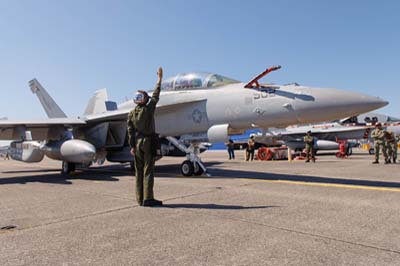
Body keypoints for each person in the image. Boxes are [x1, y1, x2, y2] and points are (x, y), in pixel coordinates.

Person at [127, 67, 163, 207]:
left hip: (137, 144)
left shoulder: (130, 113)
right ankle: (148, 199)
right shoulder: (148, 110)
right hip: (148, 142)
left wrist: (131, 146)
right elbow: (156, 95)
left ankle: (139, 199)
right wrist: (159, 79)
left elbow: (130, 131)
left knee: (138, 172)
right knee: (148, 170)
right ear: (144, 99)